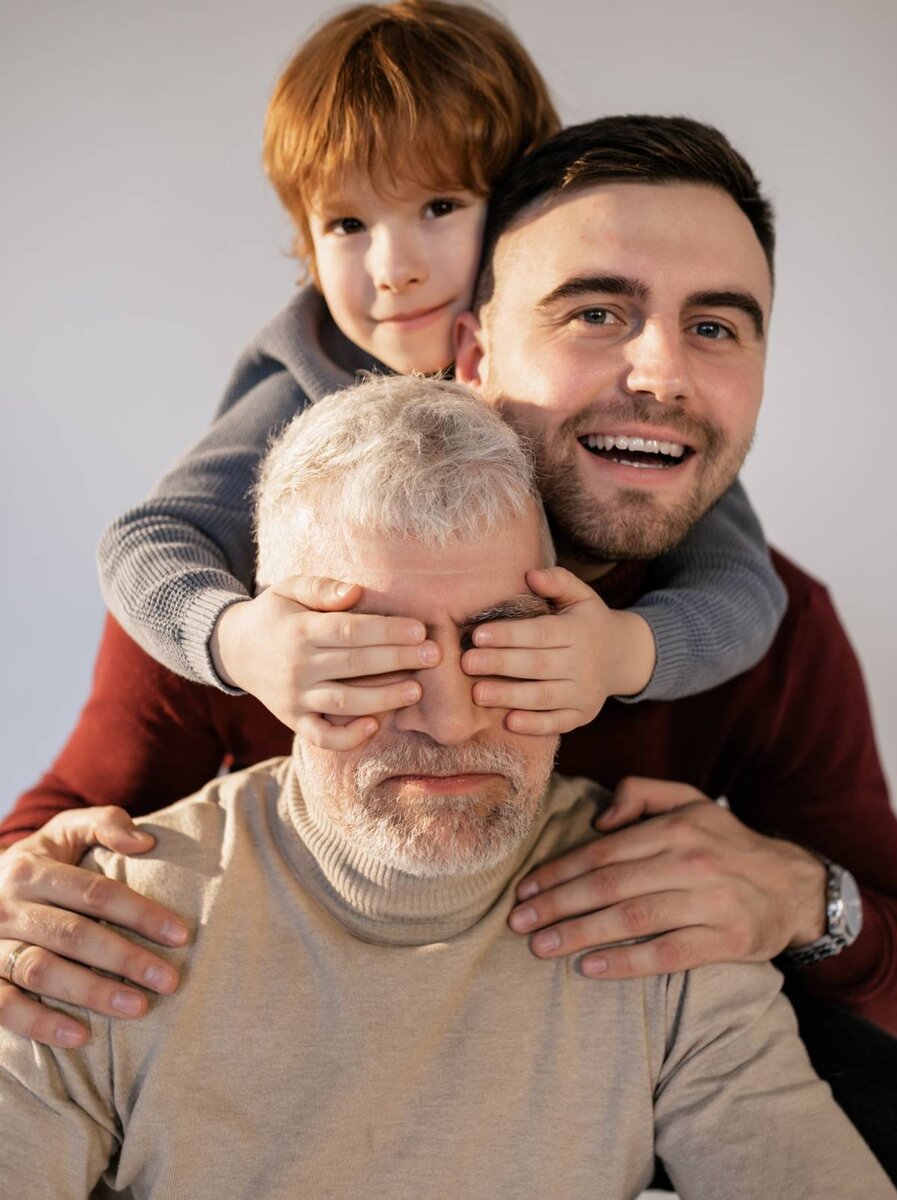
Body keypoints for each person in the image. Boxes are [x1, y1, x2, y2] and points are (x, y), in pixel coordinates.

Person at [0, 7, 787, 1041]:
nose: (393, 269)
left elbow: (748, 596)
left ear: (516, 219)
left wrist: (619, 651)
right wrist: (244, 642)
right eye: (346, 225)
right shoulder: (295, 408)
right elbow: (143, 554)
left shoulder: (651, 455)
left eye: (440, 206)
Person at [0, 376, 892, 1200]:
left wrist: (813, 899)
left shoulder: (667, 920)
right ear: (278, 663)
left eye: (499, 643)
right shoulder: (92, 936)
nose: (450, 717)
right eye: (373, 656)